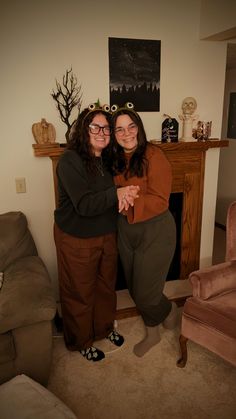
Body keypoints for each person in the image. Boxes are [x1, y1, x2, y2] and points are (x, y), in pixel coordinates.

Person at [53, 103, 139, 362]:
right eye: (95, 127)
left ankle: (103, 328)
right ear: (84, 130)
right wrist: (117, 194)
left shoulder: (109, 160)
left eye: (107, 128)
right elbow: (85, 204)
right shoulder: (70, 160)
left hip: (106, 235)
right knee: (79, 292)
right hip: (76, 238)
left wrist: (126, 196)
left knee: (104, 288)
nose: (102, 132)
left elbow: (116, 196)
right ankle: (80, 340)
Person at [110, 103, 177, 357]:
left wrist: (127, 198)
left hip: (156, 230)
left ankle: (165, 316)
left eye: (131, 126)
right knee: (135, 288)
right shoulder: (115, 159)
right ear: (114, 134)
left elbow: (161, 200)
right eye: (119, 129)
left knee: (146, 294)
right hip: (127, 231)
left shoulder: (155, 155)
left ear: (138, 127)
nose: (126, 133)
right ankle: (157, 324)